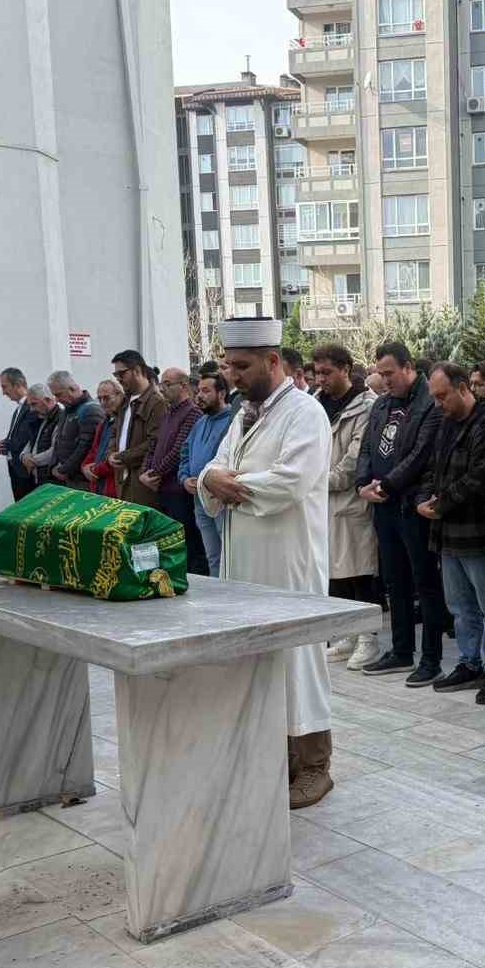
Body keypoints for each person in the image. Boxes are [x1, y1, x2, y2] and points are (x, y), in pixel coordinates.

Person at [195, 316, 337, 809]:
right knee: (258, 660)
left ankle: (315, 766)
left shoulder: (305, 413)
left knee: (298, 659)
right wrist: (211, 479)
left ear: (273, 361)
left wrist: (227, 484)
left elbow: (291, 481)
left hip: (288, 560)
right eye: (227, 366)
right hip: (244, 560)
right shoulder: (243, 415)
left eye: (241, 366)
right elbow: (213, 467)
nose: (231, 375)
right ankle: (274, 759)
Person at [417, 362, 485, 703]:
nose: (438, 403)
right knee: (459, 606)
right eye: (434, 396)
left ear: (462, 388)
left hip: (478, 531)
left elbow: (480, 477)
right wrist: (423, 499)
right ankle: (470, 662)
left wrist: (440, 504)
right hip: (447, 532)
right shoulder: (446, 421)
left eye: (443, 396)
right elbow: (432, 468)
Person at [355, 341, 445, 684]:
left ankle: (431, 659)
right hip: (383, 506)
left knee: (425, 582)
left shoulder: (428, 403)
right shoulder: (381, 404)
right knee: (395, 582)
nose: (384, 379)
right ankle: (401, 650)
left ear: (409, 367)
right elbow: (367, 447)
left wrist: (387, 485)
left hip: (411, 504)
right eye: (380, 373)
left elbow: (421, 454)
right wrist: (363, 483)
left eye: (390, 373)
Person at [315, 343, 382, 670]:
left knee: (360, 571)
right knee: (335, 573)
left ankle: (369, 638)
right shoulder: (315, 403)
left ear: (345, 369)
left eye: (327, 372)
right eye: (317, 373)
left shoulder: (366, 406)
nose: (320, 379)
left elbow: (354, 461)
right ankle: (346, 634)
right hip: (321, 500)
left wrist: (312, 481)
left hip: (351, 499)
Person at [180, 369, 237, 577]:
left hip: (221, 500)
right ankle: (217, 595)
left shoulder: (233, 421)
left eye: (206, 391)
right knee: (213, 557)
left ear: (221, 393)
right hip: (199, 500)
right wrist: (184, 479)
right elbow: (185, 453)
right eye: (198, 391)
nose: (199, 396)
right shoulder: (200, 422)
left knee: (229, 557)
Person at [140, 364, 199, 532]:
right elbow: (153, 445)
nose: (161, 389)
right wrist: (144, 472)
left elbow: (178, 451)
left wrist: (153, 474)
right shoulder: (167, 414)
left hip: (179, 491)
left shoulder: (193, 412)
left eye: (167, 384)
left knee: (185, 539)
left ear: (184, 386)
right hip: (161, 488)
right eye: (161, 384)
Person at [108, 350, 166, 507]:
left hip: (142, 482)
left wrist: (122, 457)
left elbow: (155, 442)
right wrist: (111, 454)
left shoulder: (156, 402)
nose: (118, 379)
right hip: (123, 480)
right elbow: (114, 433)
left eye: (122, 373)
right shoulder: (125, 401)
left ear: (137, 370)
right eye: (116, 375)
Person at [44, 371, 106, 490]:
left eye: (59, 394)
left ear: (72, 388)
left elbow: (85, 447)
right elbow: (58, 442)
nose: (57, 400)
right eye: (54, 395)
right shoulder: (67, 410)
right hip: (70, 478)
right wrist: (55, 466)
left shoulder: (91, 410)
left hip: (83, 481)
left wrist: (64, 469)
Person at [0, 367, 41, 501]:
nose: (3, 392)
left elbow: (25, 437)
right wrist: (1, 445)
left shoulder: (31, 406)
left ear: (18, 384)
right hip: (16, 469)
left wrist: (6, 444)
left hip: (26, 471)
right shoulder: (18, 409)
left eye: (5, 387)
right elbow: (15, 437)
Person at [80, 378, 123, 498]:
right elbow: (94, 450)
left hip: (114, 487)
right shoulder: (103, 424)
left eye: (107, 398)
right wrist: (85, 467)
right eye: (100, 399)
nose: (103, 403)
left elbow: (119, 456)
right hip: (98, 486)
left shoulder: (125, 423)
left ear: (120, 395)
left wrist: (95, 470)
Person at [19, 383, 63, 485]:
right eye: (29, 405)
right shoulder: (42, 417)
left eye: (34, 404)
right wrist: (23, 456)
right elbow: (32, 442)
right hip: (41, 478)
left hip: (53, 480)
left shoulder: (61, 417)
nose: (31, 409)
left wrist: (32, 460)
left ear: (48, 400)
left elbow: (55, 451)